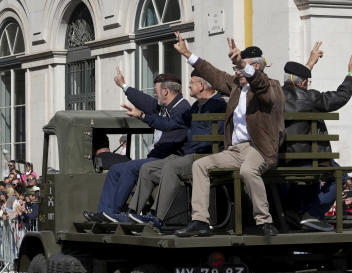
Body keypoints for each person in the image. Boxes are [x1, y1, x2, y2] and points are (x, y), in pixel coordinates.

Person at [173, 34, 284, 237]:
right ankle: (200, 221)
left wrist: (242, 63)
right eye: (237, 68)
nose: (238, 72)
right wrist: (188, 54)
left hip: (259, 147)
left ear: (256, 68)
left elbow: (261, 86)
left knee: (247, 171)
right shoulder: (236, 86)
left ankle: (264, 221)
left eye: (241, 68)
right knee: (200, 165)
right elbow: (212, 73)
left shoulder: (272, 86)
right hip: (236, 149)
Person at [83, 68, 189, 222]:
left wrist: (142, 115)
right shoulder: (163, 106)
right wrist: (123, 86)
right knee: (115, 170)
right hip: (158, 157)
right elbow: (144, 100)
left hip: (169, 158)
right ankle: (104, 213)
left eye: (156, 90)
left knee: (130, 167)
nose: (154, 94)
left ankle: (115, 213)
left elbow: (167, 126)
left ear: (165, 91)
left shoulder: (182, 109)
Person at [126, 73, 226, 227]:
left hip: (206, 156)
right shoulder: (196, 106)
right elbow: (170, 124)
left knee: (172, 167)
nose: (188, 86)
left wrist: (190, 140)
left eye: (192, 83)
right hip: (190, 154)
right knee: (148, 168)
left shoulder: (218, 105)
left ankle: (156, 217)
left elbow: (213, 137)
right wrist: (142, 115)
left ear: (202, 86)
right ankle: (132, 213)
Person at [281, 54, 352, 229]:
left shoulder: (273, 96)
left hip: (280, 160)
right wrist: (351, 74)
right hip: (308, 161)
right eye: (307, 82)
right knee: (339, 175)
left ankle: (295, 214)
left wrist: (309, 64)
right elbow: (340, 97)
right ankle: (313, 214)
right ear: (303, 83)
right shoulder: (309, 97)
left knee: (304, 182)